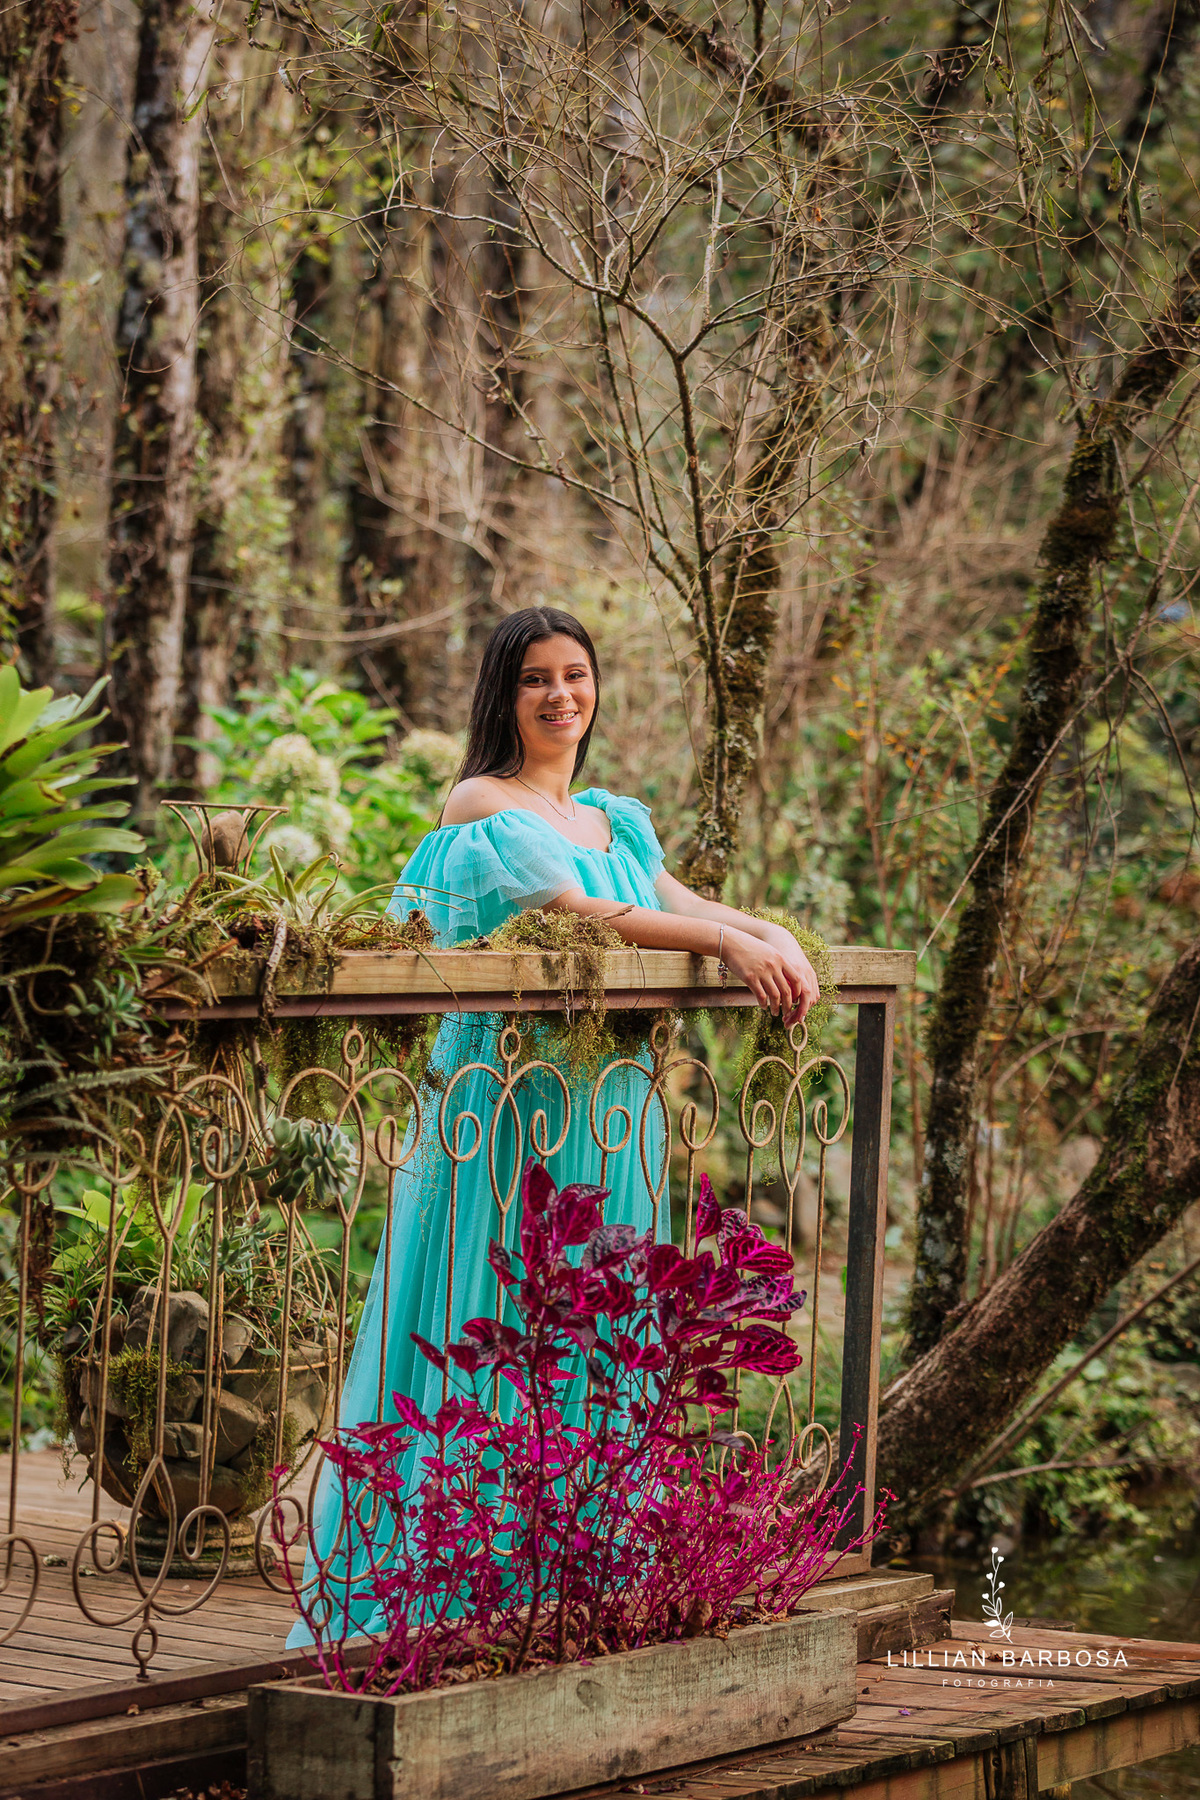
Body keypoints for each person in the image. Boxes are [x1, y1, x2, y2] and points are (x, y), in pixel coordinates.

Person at [287, 607, 818, 1643]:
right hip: (506, 1106)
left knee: (595, 1312)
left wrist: (767, 929)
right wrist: (721, 941)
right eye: (537, 678)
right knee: (483, 1306)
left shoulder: (613, 813)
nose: (561, 695)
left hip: (609, 1104)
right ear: (504, 692)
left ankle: (566, 1572)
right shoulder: (481, 803)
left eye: (577, 674)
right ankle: (444, 1581)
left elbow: (661, 889)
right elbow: (589, 914)